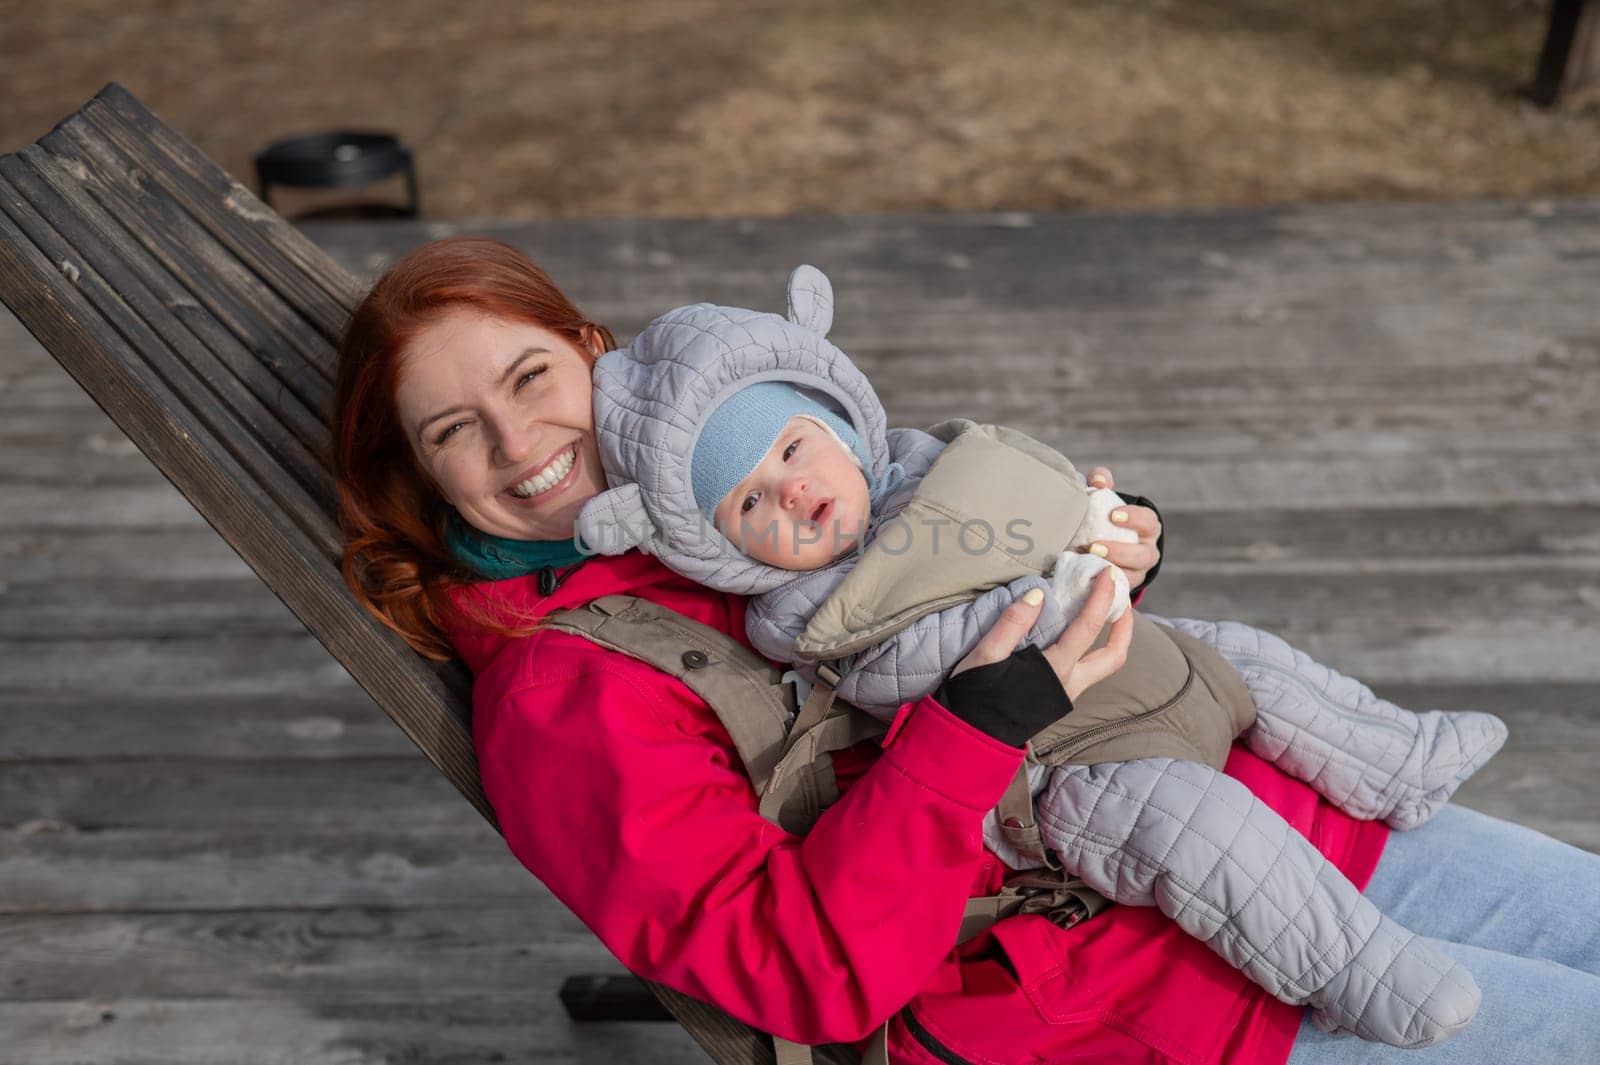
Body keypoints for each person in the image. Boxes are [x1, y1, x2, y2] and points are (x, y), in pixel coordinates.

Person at [331, 236, 1600, 1064]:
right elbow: (799, 969)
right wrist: (977, 723)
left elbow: (944, 528)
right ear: (422, 476)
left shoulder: (721, 470)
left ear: (595, 352)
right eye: (455, 429)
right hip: (1138, 984)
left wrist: (1093, 546)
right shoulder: (567, 695)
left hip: (1271, 805)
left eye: (530, 374)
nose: (518, 441)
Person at [569, 265, 1501, 1047]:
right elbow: (902, 671)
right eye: (751, 504)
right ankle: (1355, 964)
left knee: (1252, 663)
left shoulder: (933, 467)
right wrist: (1039, 593)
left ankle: (1399, 760)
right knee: (1199, 830)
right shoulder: (807, 614)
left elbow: (1042, 506)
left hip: (1139, 654)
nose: (795, 492)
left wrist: (1111, 525)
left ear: (838, 424)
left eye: (794, 448)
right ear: (725, 546)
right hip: (1066, 771)